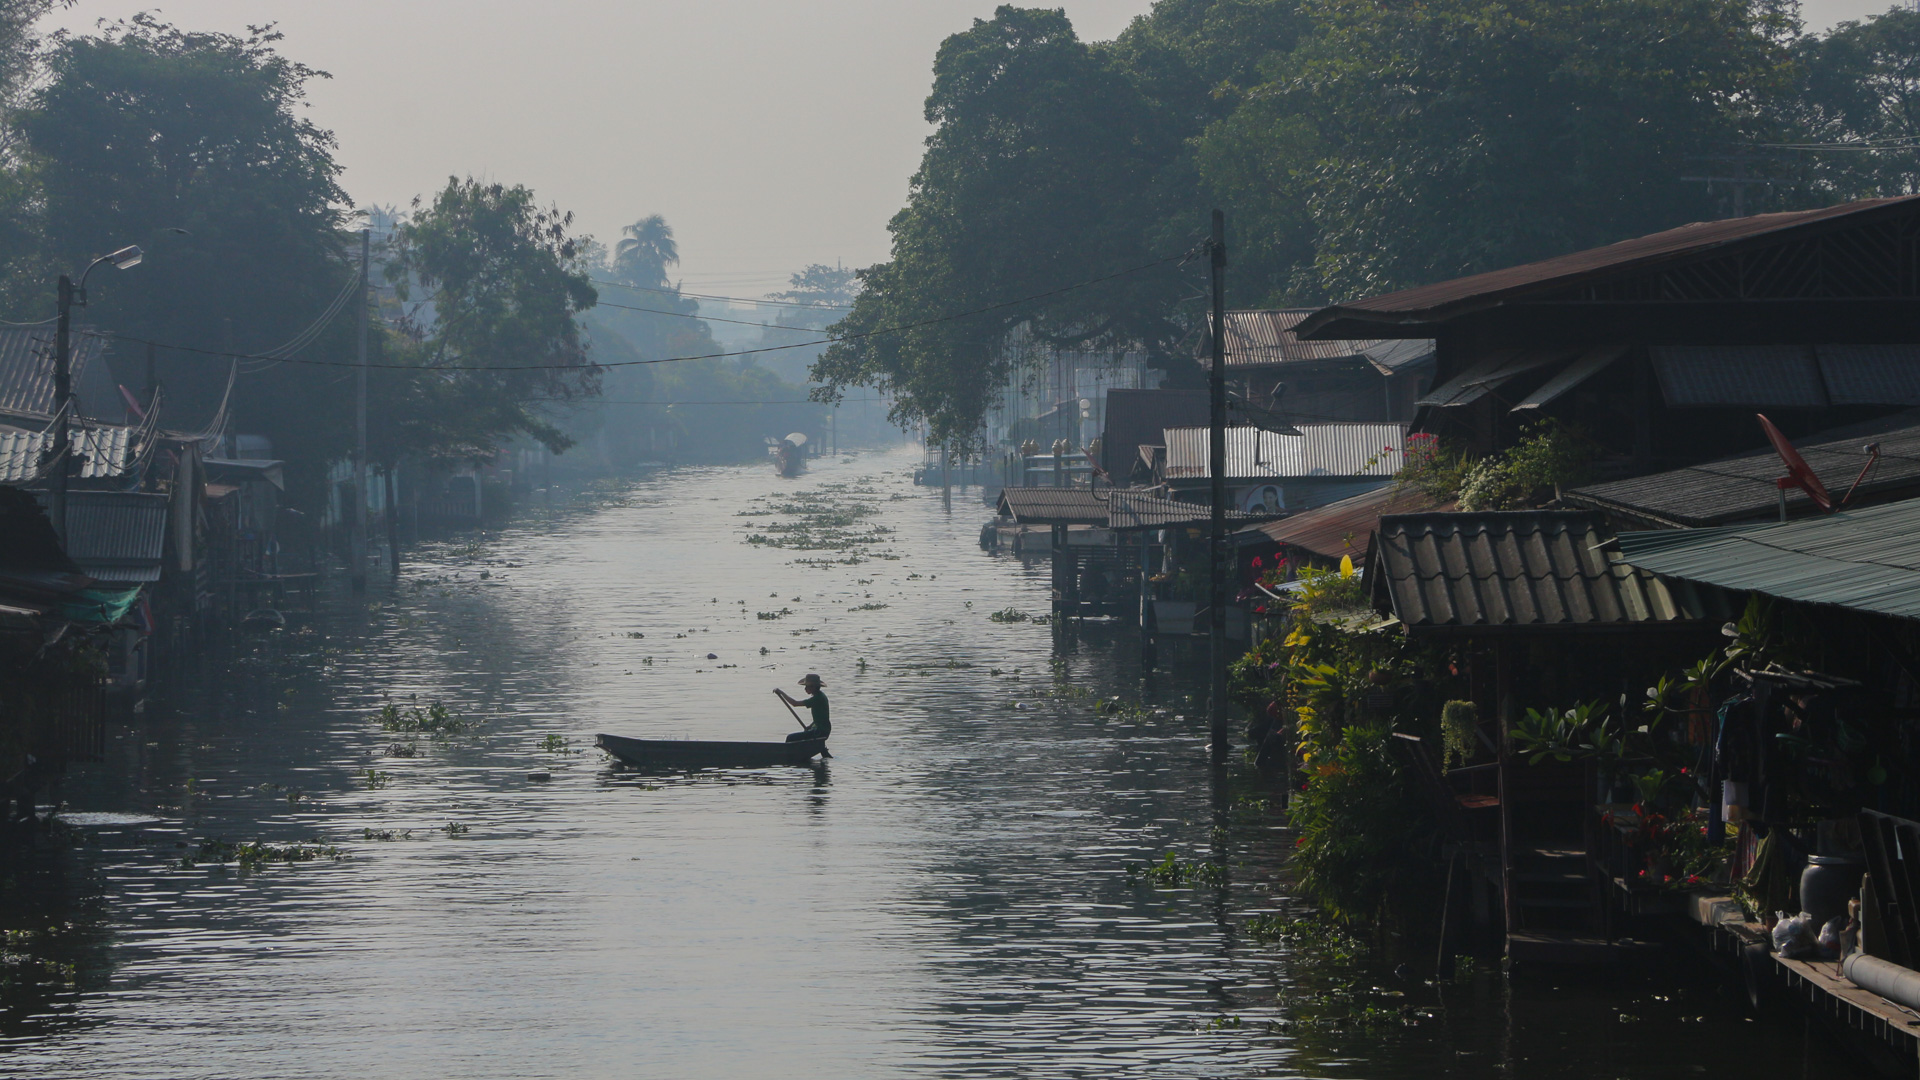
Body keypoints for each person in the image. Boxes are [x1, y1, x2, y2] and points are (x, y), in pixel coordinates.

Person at [775, 674, 830, 742]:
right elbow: (820, 718)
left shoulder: (817, 698)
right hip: (822, 729)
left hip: (820, 732)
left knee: (790, 738)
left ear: (814, 687)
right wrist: (810, 726)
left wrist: (781, 693)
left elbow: (794, 703)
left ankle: (789, 752)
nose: (805, 689)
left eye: (807, 686)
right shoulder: (820, 696)